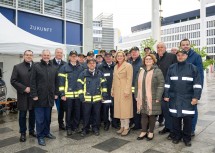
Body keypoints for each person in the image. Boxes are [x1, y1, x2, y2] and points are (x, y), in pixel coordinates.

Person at [164, 50, 202, 146]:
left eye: (182, 55)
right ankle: (177, 137)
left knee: (187, 120)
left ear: (186, 56)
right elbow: (167, 83)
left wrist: (196, 97)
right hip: (174, 99)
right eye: (178, 55)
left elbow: (197, 84)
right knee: (175, 120)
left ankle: (187, 138)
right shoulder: (172, 68)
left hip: (188, 99)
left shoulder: (193, 68)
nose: (180, 57)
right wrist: (166, 95)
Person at [30, 50, 58, 146]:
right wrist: (34, 94)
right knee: (40, 119)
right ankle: (40, 136)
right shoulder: (36, 66)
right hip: (39, 98)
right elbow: (32, 81)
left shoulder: (54, 67)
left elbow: (56, 82)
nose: (46, 56)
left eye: (48, 55)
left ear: (50, 56)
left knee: (48, 118)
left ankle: (47, 132)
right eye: (44, 55)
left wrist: (56, 93)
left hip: (49, 97)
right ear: (41, 56)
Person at [135, 54, 164, 141]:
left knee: (151, 115)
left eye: (150, 59)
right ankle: (143, 131)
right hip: (142, 97)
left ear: (153, 60)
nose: (148, 60)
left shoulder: (157, 71)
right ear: (144, 61)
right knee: (143, 115)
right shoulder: (141, 71)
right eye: (146, 59)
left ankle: (151, 132)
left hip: (153, 97)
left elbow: (161, 85)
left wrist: (158, 97)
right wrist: (136, 95)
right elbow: (136, 84)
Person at [77, 58, 108, 137]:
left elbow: (104, 85)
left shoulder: (100, 73)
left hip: (97, 99)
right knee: (86, 115)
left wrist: (104, 94)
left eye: (93, 63)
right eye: (90, 63)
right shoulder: (83, 74)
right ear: (87, 65)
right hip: (86, 100)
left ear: (96, 64)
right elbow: (79, 86)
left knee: (96, 115)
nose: (92, 64)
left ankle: (95, 128)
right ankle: (85, 129)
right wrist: (81, 96)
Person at [180, 38, 204, 137]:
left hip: (191, 90)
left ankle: (191, 129)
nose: (185, 46)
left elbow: (200, 75)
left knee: (192, 110)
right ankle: (185, 129)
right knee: (183, 111)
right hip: (181, 90)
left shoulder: (196, 56)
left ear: (190, 45)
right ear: (181, 46)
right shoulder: (179, 56)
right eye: (183, 45)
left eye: (187, 44)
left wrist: (197, 94)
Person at [11, 50, 36, 142]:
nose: (29, 56)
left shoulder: (36, 66)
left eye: (30, 55)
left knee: (33, 114)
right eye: (27, 55)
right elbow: (13, 81)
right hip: (23, 95)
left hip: (34, 95)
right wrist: (24, 88)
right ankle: (23, 133)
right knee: (22, 115)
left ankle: (32, 130)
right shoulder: (17, 67)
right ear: (24, 56)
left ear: (32, 56)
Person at [58, 51, 84, 136]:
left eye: (75, 56)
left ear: (77, 57)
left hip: (78, 95)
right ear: (69, 57)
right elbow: (61, 82)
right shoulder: (64, 68)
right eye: (72, 56)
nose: (74, 58)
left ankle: (75, 127)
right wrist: (62, 94)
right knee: (68, 113)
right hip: (68, 96)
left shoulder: (81, 67)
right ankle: (68, 127)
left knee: (77, 112)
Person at [156, 42, 177, 140]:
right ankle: (168, 127)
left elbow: (176, 71)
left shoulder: (171, 56)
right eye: (158, 47)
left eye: (162, 47)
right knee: (164, 110)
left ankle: (173, 130)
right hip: (158, 89)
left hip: (169, 88)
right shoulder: (155, 57)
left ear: (165, 48)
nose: (160, 48)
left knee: (170, 109)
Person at [111, 51, 133, 136]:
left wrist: (127, 90)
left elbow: (129, 79)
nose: (119, 57)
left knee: (125, 110)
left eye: (121, 56)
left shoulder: (128, 65)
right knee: (119, 109)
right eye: (118, 56)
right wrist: (112, 90)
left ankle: (126, 127)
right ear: (116, 58)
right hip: (117, 90)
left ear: (124, 57)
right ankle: (122, 126)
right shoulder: (115, 66)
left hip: (125, 90)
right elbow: (114, 79)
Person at [98, 52, 119, 130]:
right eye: (106, 57)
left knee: (114, 108)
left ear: (112, 57)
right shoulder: (100, 67)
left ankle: (115, 123)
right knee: (105, 109)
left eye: (109, 56)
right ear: (104, 58)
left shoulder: (116, 66)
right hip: (105, 91)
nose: (108, 58)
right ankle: (106, 123)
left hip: (114, 91)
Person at [51, 48, 67, 130]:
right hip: (50, 91)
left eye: (61, 53)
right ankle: (47, 126)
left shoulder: (65, 64)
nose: (59, 54)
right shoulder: (49, 63)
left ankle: (61, 123)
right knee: (48, 110)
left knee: (61, 109)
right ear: (55, 53)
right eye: (58, 52)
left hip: (61, 91)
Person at [128, 46, 142, 130]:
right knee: (132, 107)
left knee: (138, 108)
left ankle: (138, 125)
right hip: (130, 90)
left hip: (139, 90)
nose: (134, 53)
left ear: (139, 52)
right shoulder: (129, 62)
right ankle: (133, 122)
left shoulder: (142, 62)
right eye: (132, 52)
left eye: (135, 51)